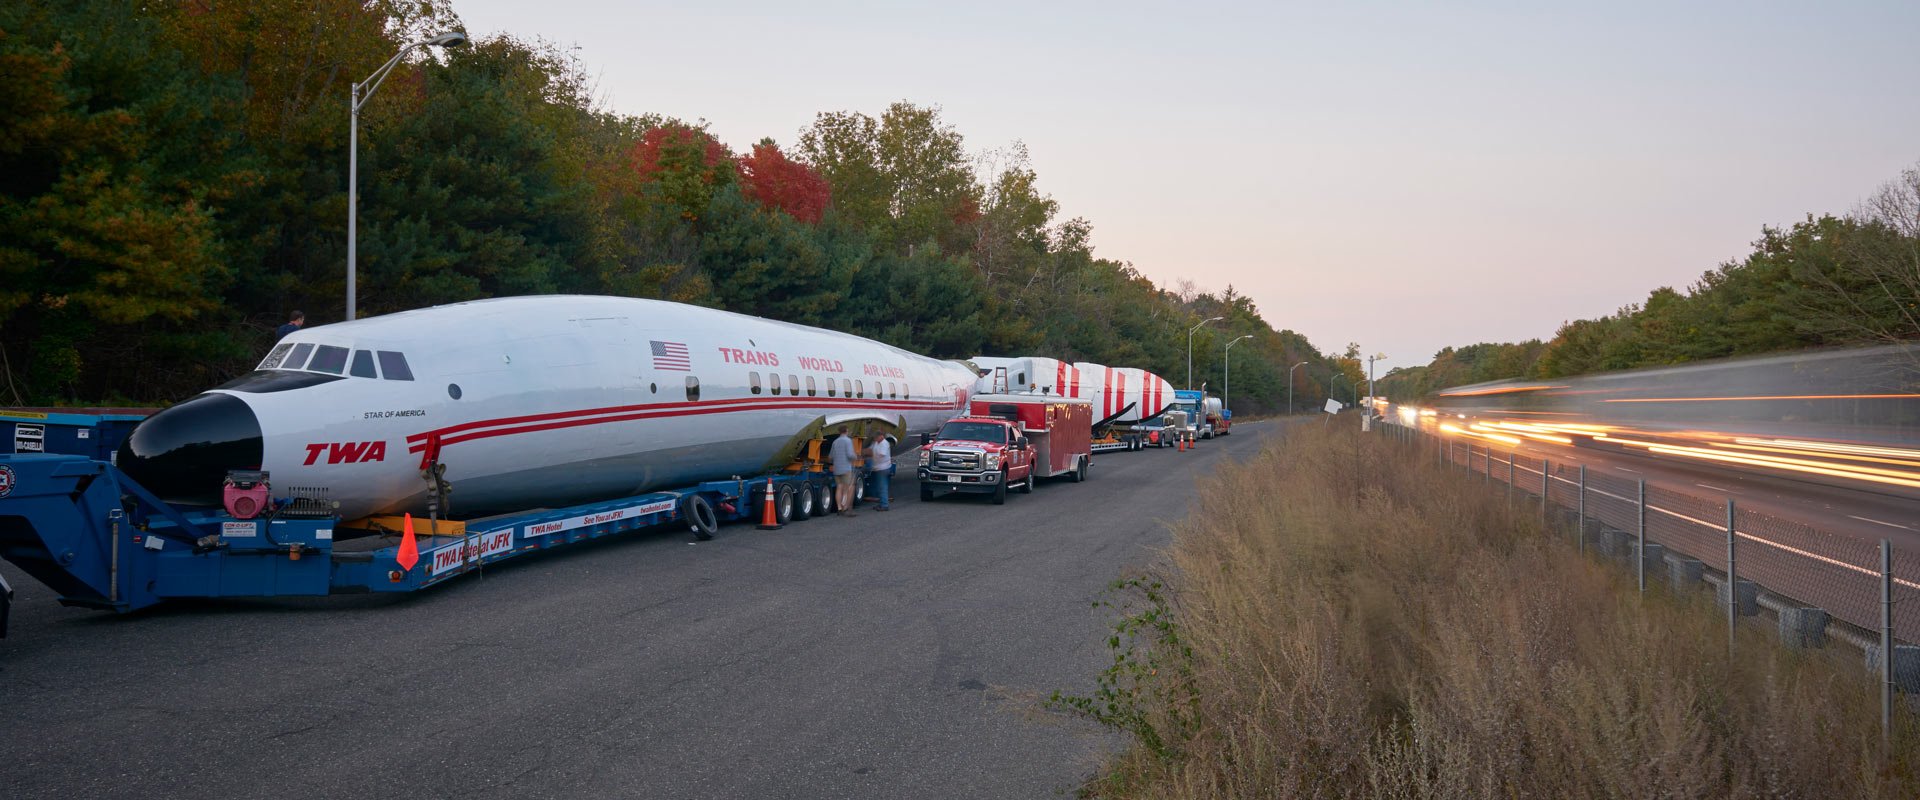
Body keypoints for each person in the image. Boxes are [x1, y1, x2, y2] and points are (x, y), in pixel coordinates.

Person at [828, 425, 858, 517]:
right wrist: (855, 457)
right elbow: (850, 455)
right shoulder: (848, 441)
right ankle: (845, 508)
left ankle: (839, 508)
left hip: (837, 468)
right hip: (846, 469)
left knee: (839, 488)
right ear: (846, 431)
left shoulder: (835, 442)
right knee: (847, 489)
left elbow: (831, 457)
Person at [867, 433, 894, 511]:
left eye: (876, 437)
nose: (875, 439)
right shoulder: (877, 443)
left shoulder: (884, 444)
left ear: (881, 436)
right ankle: (882, 503)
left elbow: (882, 454)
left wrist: (871, 454)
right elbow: (871, 449)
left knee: (882, 487)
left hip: (883, 468)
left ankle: (884, 505)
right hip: (878, 468)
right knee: (880, 486)